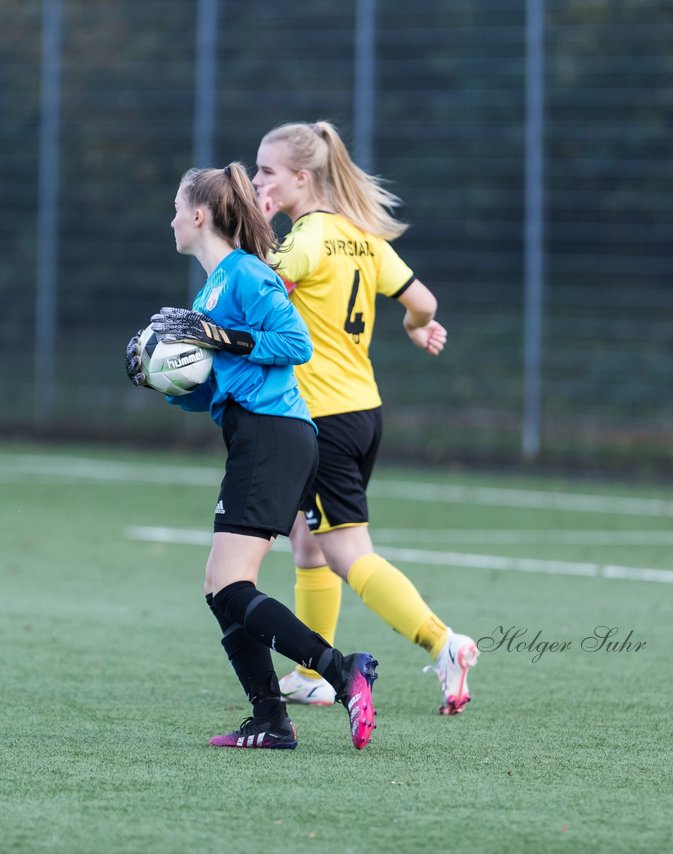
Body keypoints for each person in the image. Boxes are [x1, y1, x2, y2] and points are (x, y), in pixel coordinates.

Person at [123, 162, 379, 750]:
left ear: (199, 215)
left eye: (175, 208)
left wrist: (216, 338)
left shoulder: (246, 274)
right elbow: (217, 391)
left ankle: (343, 673)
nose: (170, 220)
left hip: (276, 434)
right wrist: (164, 382)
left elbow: (295, 344)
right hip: (253, 431)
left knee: (232, 585)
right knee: (220, 587)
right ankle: (270, 718)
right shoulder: (210, 290)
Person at [251, 121, 479, 715]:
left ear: (302, 178)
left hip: (322, 419)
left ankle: (443, 642)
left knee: (349, 552)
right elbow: (423, 303)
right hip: (363, 413)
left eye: (266, 172)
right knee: (307, 544)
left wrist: (258, 230)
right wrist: (414, 328)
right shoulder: (361, 238)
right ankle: (312, 673)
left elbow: (255, 293)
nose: (257, 182)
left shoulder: (305, 239)